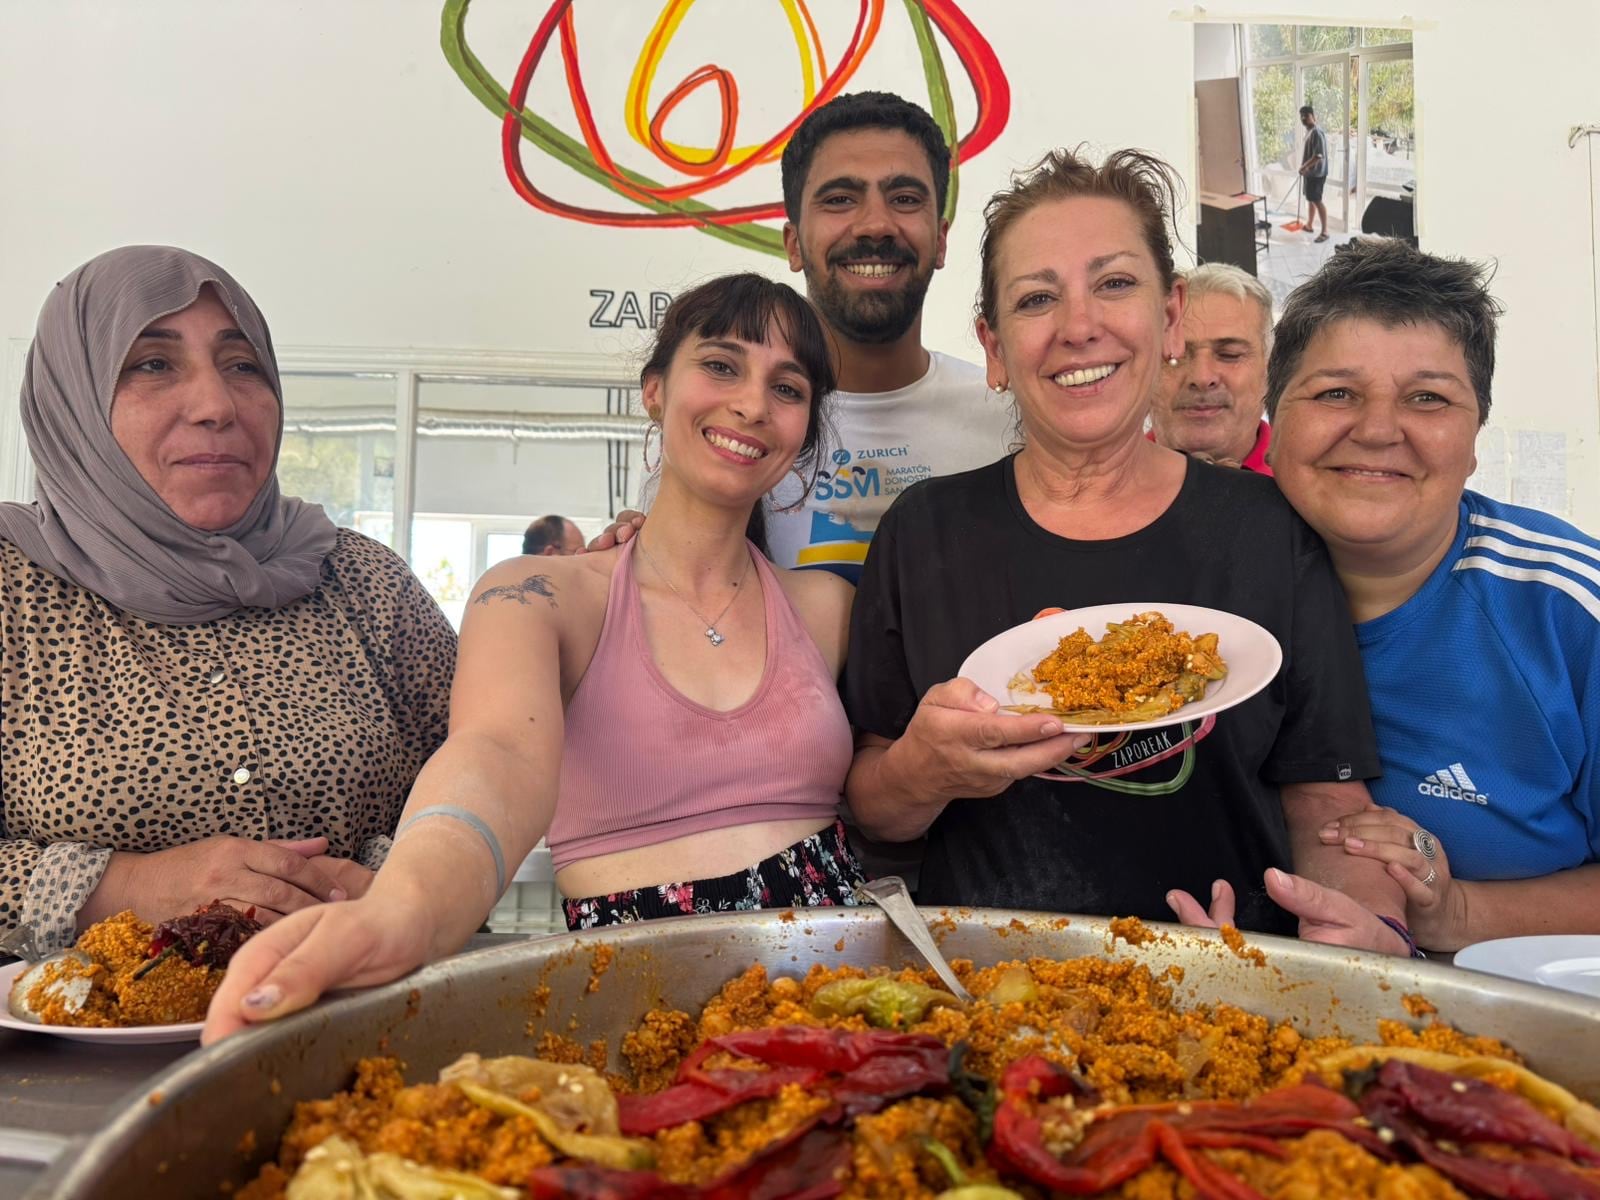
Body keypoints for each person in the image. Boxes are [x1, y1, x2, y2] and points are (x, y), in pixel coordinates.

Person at [204, 274, 862, 1040]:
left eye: (786, 387)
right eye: (721, 365)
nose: (751, 403)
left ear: (805, 427)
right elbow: (495, 754)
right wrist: (407, 906)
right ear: (654, 389)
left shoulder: (824, 606)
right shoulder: (539, 597)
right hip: (641, 1017)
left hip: (842, 997)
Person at [841, 148, 1414, 955]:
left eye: (1114, 283)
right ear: (995, 348)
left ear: (1171, 315)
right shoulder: (923, 530)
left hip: (1227, 979)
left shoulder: (1271, 528)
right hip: (987, 984)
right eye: (1038, 299)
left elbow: (1326, 800)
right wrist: (920, 772)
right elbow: (874, 805)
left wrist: (1350, 925)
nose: (1080, 327)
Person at [0, 246, 456, 956]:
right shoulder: (11, 593)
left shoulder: (366, 585)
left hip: (357, 1027)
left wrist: (406, 883)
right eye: (153, 364)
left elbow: (489, 780)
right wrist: (121, 888)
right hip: (67, 1056)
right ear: (73, 400)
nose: (216, 406)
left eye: (243, 366)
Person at [1265, 239, 1600, 950]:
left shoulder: (1568, 611)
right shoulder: (1199, 589)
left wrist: (1460, 914)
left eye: (1428, 398)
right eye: (1335, 393)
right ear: (1276, 418)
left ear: (1476, 435)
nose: (1379, 430)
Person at [596, 92, 1012, 582]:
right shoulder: (725, 433)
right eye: (840, 199)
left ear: (941, 240)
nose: (875, 224)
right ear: (793, 243)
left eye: (904, 199)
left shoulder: (1007, 423)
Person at [1149, 263, 1274, 473]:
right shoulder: (1091, 489)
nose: (1201, 376)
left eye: (1229, 355)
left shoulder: (1313, 493)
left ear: (1271, 371)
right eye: (1176, 355)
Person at [1298, 106, 1330, 243]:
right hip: (1311, 174)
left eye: (1306, 116)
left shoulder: (1316, 132)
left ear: (1313, 116)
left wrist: (1304, 166)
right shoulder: (1310, 132)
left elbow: (1318, 156)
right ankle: (1309, 225)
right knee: (1311, 199)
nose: (1304, 119)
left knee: (1317, 200)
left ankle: (1325, 232)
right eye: (1302, 116)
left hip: (1316, 174)